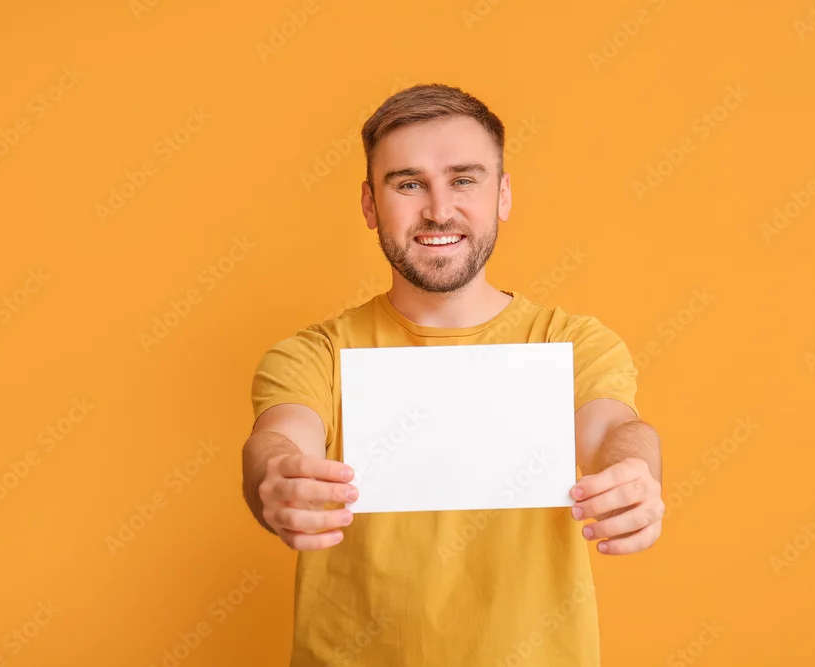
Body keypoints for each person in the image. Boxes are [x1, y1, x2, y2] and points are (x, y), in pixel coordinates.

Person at [242, 82, 665, 666]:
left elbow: (613, 429)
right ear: (369, 204)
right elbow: (280, 438)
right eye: (408, 184)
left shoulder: (570, 343)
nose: (438, 210)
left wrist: (633, 471)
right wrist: (277, 477)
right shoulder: (316, 354)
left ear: (502, 195)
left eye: (464, 180)